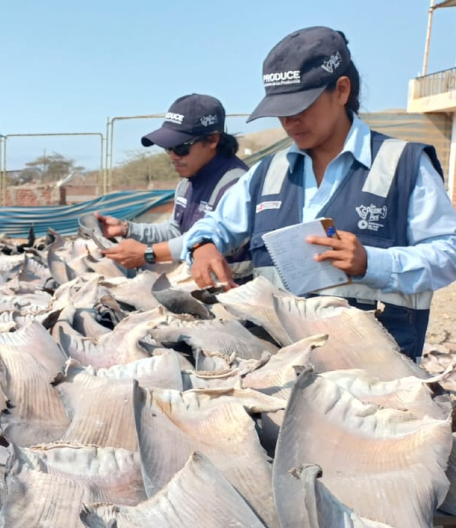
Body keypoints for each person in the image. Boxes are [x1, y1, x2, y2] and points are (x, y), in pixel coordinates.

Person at [181, 26, 456, 361]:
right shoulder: (267, 173)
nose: (289, 122)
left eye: (302, 107)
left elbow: (447, 253)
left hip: (377, 373)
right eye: (281, 112)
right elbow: (216, 225)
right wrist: (203, 246)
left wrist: (373, 262)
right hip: (282, 367)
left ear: (341, 90)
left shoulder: (405, 165)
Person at [95, 94, 252, 278]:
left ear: (212, 140)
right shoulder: (187, 182)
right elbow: (176, 231)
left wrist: (147, 253)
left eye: (181, 148)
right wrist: (127, 229)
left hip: (234, 289)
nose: (173, 156)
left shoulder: (237, 185)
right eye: (168, 148)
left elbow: (210, 242)